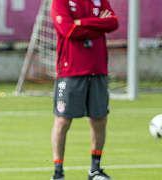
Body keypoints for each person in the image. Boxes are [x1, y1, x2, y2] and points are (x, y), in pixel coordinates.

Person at [50, 0, 118, 179]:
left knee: (99, 119)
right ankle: (58, 173)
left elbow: (113, 22)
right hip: (70, 70)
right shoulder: (60, 1)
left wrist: (83, 22)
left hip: (98, 69)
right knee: (63, 121)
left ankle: (95, 170)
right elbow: (69, 30)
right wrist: (98, 26)